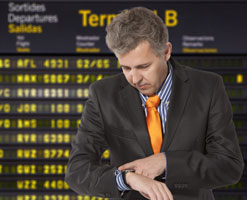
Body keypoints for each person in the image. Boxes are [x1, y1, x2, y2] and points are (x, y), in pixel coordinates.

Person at [65, 7, 244, 200]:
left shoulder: (208, 87)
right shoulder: (103, 95)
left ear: (166, 52)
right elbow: (77, 171)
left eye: (144, 66)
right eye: (126, 68)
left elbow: (229, 166)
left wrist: (166, 162)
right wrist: (127, 179)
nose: (134, 78)